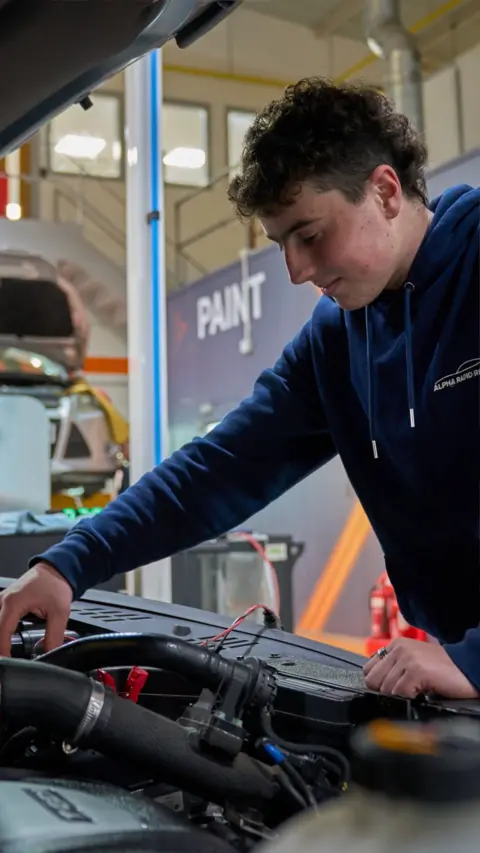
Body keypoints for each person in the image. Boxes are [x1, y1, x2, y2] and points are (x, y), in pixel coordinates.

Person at [0, 79, 478, 700]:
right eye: (282, 245)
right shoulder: (335, 339)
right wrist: (68, 563)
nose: (297, 270)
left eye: (310, 235)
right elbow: (219, 467)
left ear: (385, 191)